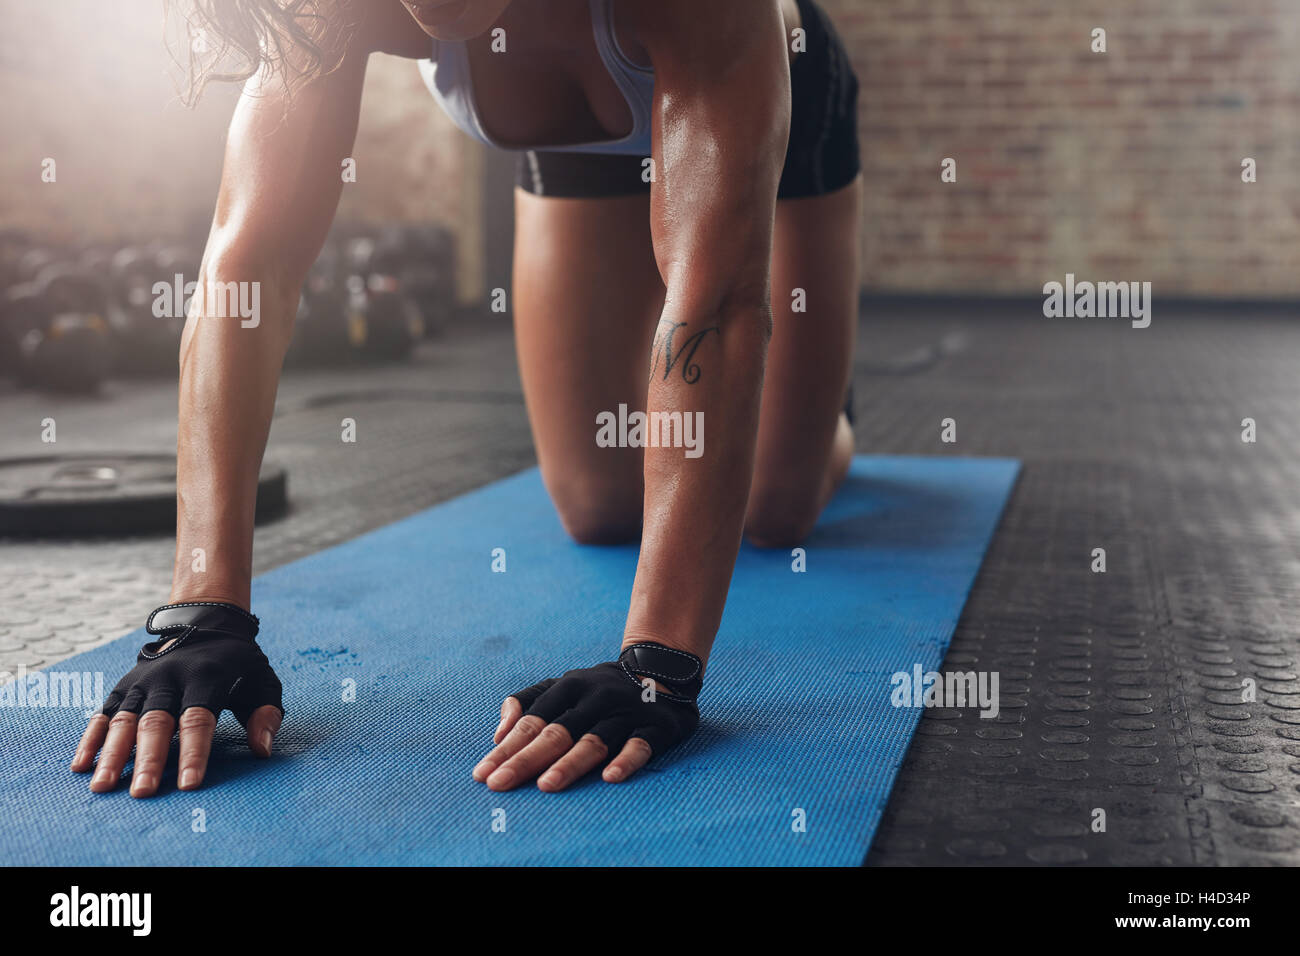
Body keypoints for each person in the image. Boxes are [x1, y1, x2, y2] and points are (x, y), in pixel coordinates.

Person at [71, 0, 862, 797]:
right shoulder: (334, 9)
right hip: (574, 134)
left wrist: (658, 661)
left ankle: (821, 407)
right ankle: (752, 397)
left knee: (773, 505)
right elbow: (249, 267)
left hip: (765, 103)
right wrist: (202, 610)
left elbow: (714, 309)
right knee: (599, 504)